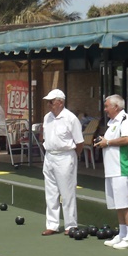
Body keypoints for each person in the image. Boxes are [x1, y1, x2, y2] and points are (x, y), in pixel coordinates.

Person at [94, 95, 128, 249]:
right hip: (112, 169)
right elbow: (112, 140)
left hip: (122, 167)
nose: (105, 109)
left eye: (107, 106)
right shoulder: (112, 122)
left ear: (116, 107)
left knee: (125, 203)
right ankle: (123, 233)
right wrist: (103, 140)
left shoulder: (125, 120)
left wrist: (107, 142)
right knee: (118, 204)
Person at [41, 89, 84, 236]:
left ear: (60, 102)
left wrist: (74, 156)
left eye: (51, 102)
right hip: (49, 155)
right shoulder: (47, 117)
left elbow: (79, 142)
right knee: (50, 192)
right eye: (48, 102)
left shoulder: (71, 118)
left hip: (65, 156)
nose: (49, 104)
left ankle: (70, 224)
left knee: (67, 192)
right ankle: (52, 225)